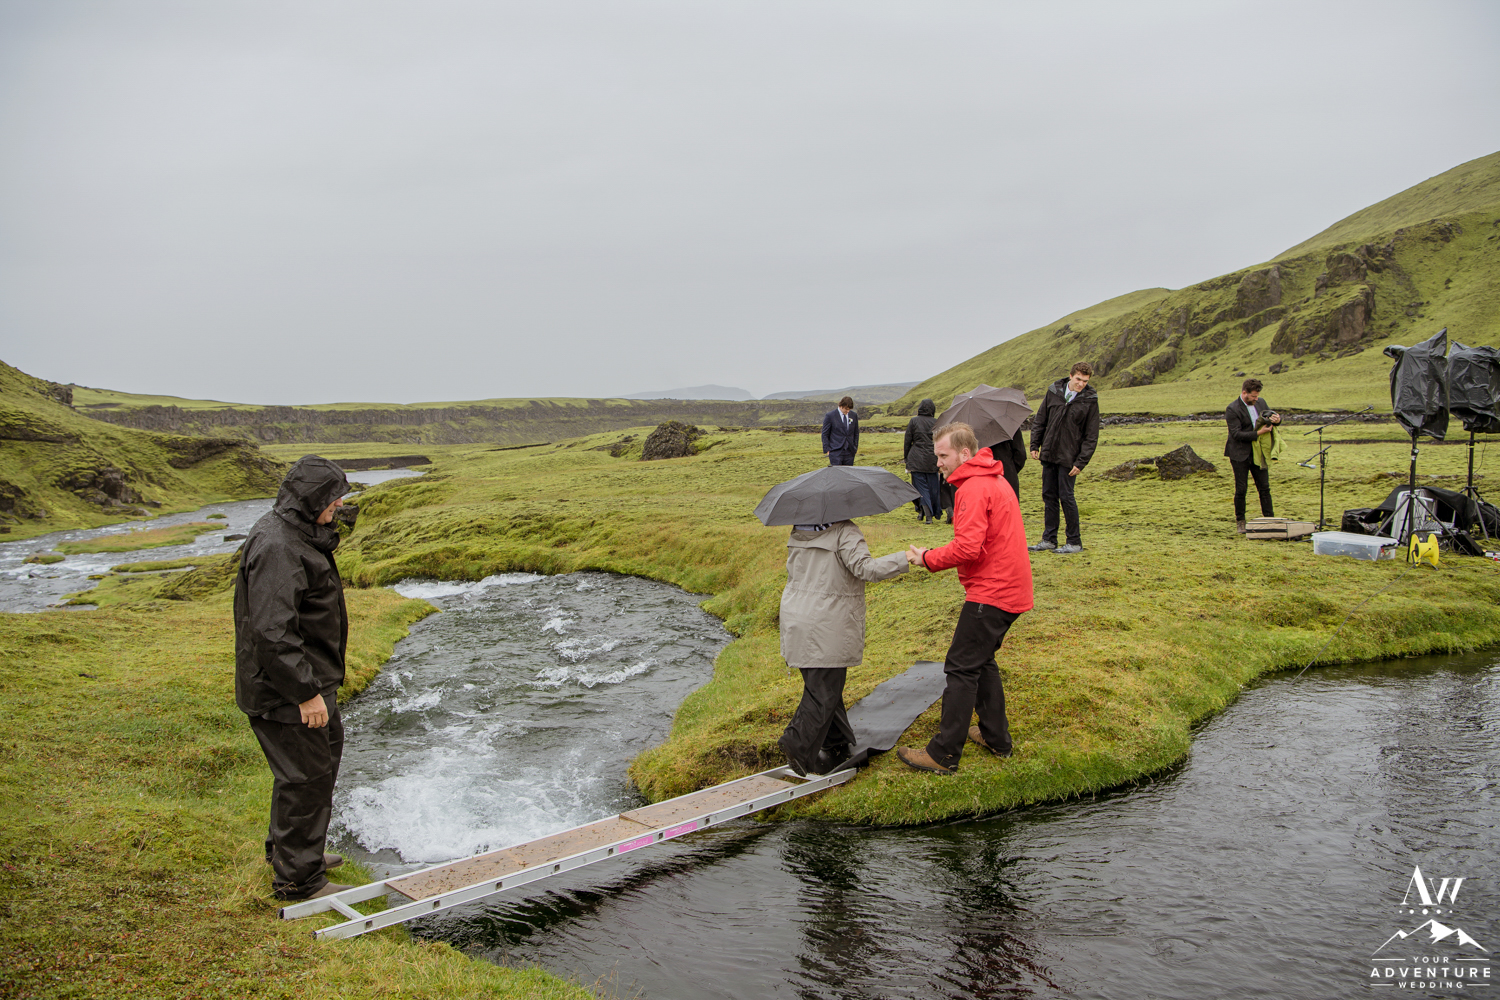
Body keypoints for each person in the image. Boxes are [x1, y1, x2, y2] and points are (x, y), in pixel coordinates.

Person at [235, 455, 352, 902]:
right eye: (331, 498)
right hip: (287, 691)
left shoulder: (294, 532)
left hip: (308, 682)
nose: (339, 505)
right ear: (309, 499)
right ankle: (299, 882)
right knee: (305, 776)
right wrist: (305, 694)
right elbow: (271, 632)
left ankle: (293, 853)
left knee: (311, 770)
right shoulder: (279, 546)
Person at [897, 422, 1034, 775]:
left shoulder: (973, 488)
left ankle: (943, 754)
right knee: (980, 660)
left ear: (964, 453)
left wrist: (926, 557)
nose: (938, 463)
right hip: (1009, 589)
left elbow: (968, 547)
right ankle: (996, 738)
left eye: (943, 456)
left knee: (959, 666)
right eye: (937, 456)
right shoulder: (995, 479)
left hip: (993, 592)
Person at [778, 518, 908, 776]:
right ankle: (797, 744)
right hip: (828, 619)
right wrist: (904, 559)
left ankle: (836, 740)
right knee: (823, 692)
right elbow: (866, 569)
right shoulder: (844, 531)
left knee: (824, 683)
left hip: (796, 615)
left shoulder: (799, 530)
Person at [1027, 362, 1100, 554]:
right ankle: (1049, 539)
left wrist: (1081, 462)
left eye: (1085, 381)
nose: (1081, 384)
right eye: (1078, 379)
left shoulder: (1090, 400)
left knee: (1066, 497)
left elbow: (1091, 435)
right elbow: (1041, 419)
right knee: (1049, 496)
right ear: (1070, 376)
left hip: (1070, 457)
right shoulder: (1054, 392)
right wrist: (1035, 444)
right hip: (1049, 453)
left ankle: (1074, 542)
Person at [1224, 377, 1281, 533]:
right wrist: (1258, 433)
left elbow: (1269, 419)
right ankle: (1240, 521)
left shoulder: (1261, 403)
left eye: (1257, 396)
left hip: (1259, 452)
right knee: (1241, 489)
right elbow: (1236, 434)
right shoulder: (1232, 409)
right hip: (1239, 453)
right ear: (1244, 393)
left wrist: (1277, 420)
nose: (1256, 399)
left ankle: (1270, 520)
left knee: (1264, 487)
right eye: (1253, 396)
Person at [903, 399, 942, 523]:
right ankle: (931, 512)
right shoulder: (937, 422)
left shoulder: (914, 421)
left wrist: (907, 458)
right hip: (932, 459)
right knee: (933, 488)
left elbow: (907, 441)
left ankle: (926, 514)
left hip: (916, 459)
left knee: (920, 488)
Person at [985, 427, 1028, 499]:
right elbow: (1020, 454)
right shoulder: (1008, 423)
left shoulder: (968, 428)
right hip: (1007, 477)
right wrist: (1011, 470)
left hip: (982, 482)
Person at [821, 395, 860, 466]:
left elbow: (856, 432)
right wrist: (827, 449)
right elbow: (825, 433)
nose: (848, 411)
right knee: (837, 475)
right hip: (835, 451)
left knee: (848, 474)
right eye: (846, 409)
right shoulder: (830, 416)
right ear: (841, 405)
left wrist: (854, 447)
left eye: (849, 409)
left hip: (850, 452)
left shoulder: (853, 415)